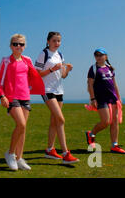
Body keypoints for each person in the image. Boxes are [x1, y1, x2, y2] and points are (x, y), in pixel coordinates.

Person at [0, 34, 46, 171]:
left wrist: (32, 88)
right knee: (21, 124)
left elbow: (32, 76)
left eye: (21, 44)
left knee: (23, 129)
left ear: (25, 46)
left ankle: (19, 158)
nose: (19, 46)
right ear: (11, 46)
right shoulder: (5, 61)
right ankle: (10, 154)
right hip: (12, 97)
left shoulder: (27, 60)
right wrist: (2, 96)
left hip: (25, 97)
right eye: (16, 44)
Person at [34, 32, 79, 164]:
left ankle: (49, 150)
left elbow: (63, 75)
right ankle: (66, 153)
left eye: (59, 41)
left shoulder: (60, 55)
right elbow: (38, 74)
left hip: (59, 90)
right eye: (54, 40)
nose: (57, 43)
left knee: (54, 120)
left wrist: (67, 70)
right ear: (48, 41)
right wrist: (53, 69)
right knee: (60, 119)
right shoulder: (44, 54)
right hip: (47, 90)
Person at [85, 48, 125, 154]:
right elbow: (90, 84)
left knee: (114, 122)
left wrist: (119, 97)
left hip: (113, 98)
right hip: (100, 98)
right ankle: (91, 134)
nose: (98, 57)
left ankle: (114, 146)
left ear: (106, 57)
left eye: (100, 55)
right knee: (105, 121)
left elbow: (114, 84)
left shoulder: (110, 68)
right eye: (96, 55)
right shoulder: (93, 68)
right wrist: (93, 98)